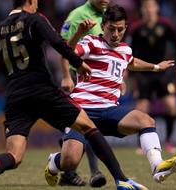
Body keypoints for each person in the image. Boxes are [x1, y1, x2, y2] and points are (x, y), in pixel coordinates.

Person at [0, 1, 147, 190]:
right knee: (88, 126)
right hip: (41, 89)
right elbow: (58, 42)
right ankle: (122, 180)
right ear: (30, 1)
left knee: (13, 156)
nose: (38, 5)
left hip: (15, 95)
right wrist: (77, 63)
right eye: (36, 2)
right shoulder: (34, 19)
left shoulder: (0, 29)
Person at [45, 4, 176, 188]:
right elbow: (67, 54)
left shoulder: (125, 50)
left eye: (120, 29)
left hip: (109, 111)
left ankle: (157, 166)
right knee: (70, 162)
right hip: (81, 112)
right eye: (111, 29)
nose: (115, 34)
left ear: (125, 28)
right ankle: (54, 162)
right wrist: (79, 32)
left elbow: (131, 62)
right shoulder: (90, 42)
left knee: (146, 121)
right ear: (103, 26)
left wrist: (156, 67)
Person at [58, 0, 110, 187]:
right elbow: (63, 47)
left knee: (85, 125)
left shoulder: (107, 14)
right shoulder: (76, 15)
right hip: (77, 75)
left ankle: (68, 168)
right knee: (87, 124)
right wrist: (66, 76)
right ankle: (95, 172)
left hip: (97, 78)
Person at [127, 0, 176, 154]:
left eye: (151, 6)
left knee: (171, 105)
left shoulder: (166, 25)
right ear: (142, 9)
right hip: (144, 73)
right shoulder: (136, 28)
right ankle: (141, 144)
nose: (148, 10)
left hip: (164, 73)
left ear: (156, 8)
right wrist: (129, 71)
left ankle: (168, 140)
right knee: (141, 108)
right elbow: (129, 50)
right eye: (145, 7)